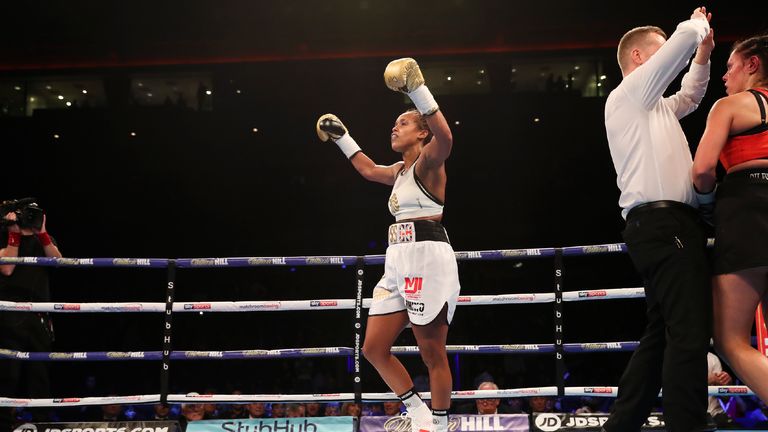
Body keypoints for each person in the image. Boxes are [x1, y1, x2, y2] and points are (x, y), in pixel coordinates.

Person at [316, 57, 459, 432]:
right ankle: (419, 411)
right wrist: (341, 136)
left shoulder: (430, 162)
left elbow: (447, 137)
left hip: (427, 258)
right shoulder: (399, 171)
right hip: (397, 260)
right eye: (395, 123)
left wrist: (416, 90)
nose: (394, 128)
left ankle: (441, 425)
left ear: (422, 133)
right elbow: (366, 169)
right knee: (373, 349)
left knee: (432, 351)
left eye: (404, 123)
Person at [603, 7, 715, 432]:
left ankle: (623, 423)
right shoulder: (629, 94)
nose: (669, 54)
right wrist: (697, 24)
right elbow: (682, 40)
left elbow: (690, 95)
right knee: (688, 331)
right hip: (665, 227)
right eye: (659, 49)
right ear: (637, 58)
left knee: (659, 335)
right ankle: (687, 425)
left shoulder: (654, 109)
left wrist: (703, 53)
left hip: (666, 227)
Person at [691, 33, 768, 404]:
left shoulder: (731, 106)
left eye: (730, 66)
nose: (725, 76)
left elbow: (702, 169)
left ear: (753, 65)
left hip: (747, 209)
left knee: (731, 341)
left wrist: (706, 205)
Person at [0, 207, 63, 431]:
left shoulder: (43, 240)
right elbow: (7, 269)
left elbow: (58, 262)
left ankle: (42, 421)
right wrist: (13, 233)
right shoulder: (4, 238)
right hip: (11, 315)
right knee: (8, 371)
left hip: (39, 314)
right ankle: (3, 422)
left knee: (40, 372)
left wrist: (42, 232)